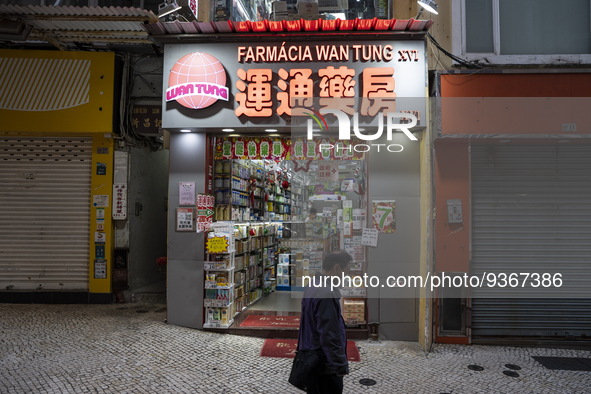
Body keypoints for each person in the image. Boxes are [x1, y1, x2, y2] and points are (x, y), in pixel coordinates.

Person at [297, 251, 351, 393]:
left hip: (312, 359)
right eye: (346, 271)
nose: (346, 276)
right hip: (324, 365)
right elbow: (329, 334)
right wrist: (340, 366)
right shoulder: (326, 292)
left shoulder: (313, 285)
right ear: (337, 268)